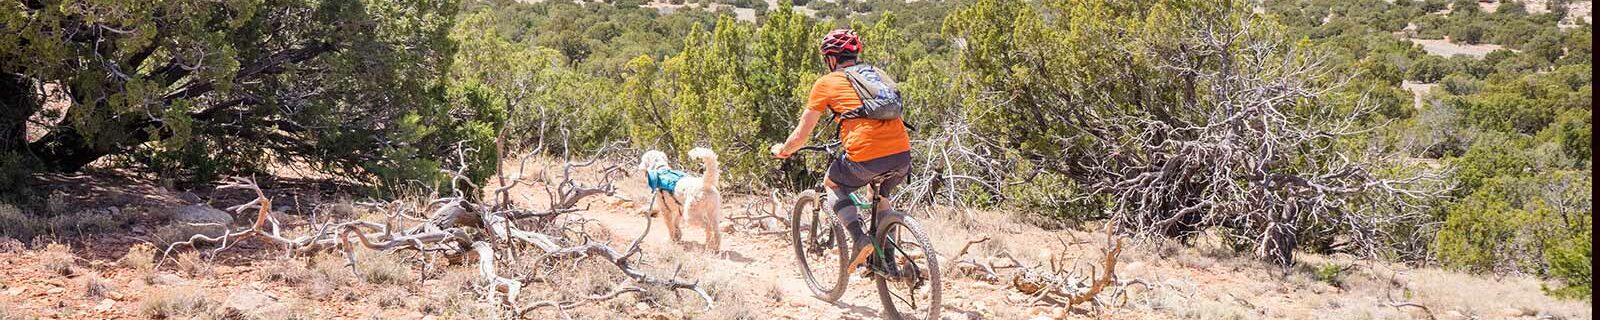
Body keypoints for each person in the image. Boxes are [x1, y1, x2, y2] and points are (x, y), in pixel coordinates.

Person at [771, 29, 911, 273]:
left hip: (866, 155)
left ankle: (859, 239)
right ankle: (888, 264)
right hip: (902, 154)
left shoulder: (826, 83)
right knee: (880, 197)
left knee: (833, 183)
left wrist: (784, 150)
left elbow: (801, 134)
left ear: (831, 59)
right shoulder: (875, 76)